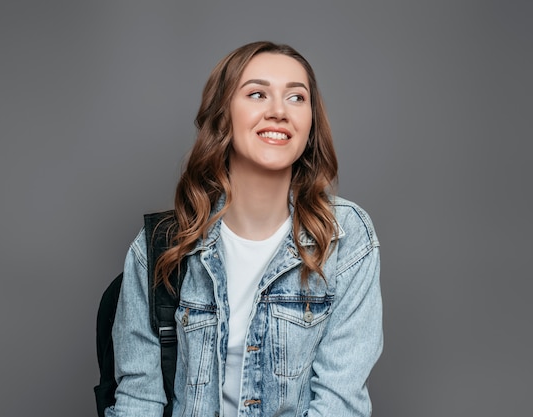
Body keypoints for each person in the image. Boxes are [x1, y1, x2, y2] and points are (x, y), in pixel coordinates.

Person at [108, 41, 383, 417]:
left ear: (310, 123)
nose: (278, 111)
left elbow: (340, 404)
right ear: (223, 115)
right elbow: (139, 402)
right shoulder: (161, 246)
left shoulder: (344, 237)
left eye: (296, 98)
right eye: (257, 94)